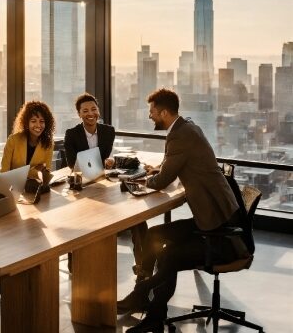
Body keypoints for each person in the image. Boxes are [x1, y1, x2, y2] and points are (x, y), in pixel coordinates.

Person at [117, 88, 242, 333]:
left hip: (219, 227)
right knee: (154, 236)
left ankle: (151, 311)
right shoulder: (187, 127)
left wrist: (142, 182)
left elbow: (164, 180)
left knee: (169, 256)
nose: (150, 116)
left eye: (152, 111)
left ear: (164, 112)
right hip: (217, 215)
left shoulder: (180, 135)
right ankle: (141, 292)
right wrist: (157, 171)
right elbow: (174, 164)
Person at [64, 93, 148, 276]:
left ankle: (143, 264)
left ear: (99, 111)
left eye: (93, 109)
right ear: (79, 114)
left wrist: (107, 163)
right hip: (82, 187)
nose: (90, 113)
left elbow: (102, 160)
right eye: (85, 111)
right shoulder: (71, 134)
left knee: (137, 213)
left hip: (102, 184)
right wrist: (101, 162)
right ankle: (75, 263)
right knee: (80, 220)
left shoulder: (108, 131)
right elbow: (72, 164)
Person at [1, 100, 55, 180]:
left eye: (42, 121)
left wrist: (20, 172)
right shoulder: (13, 140)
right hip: (12, 186)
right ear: (26, 122)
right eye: (33, 121)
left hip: (34, 188)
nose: (38, 125)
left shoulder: (48, 144)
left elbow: (45, 174)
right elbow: (4, 172)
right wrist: (34, 171)